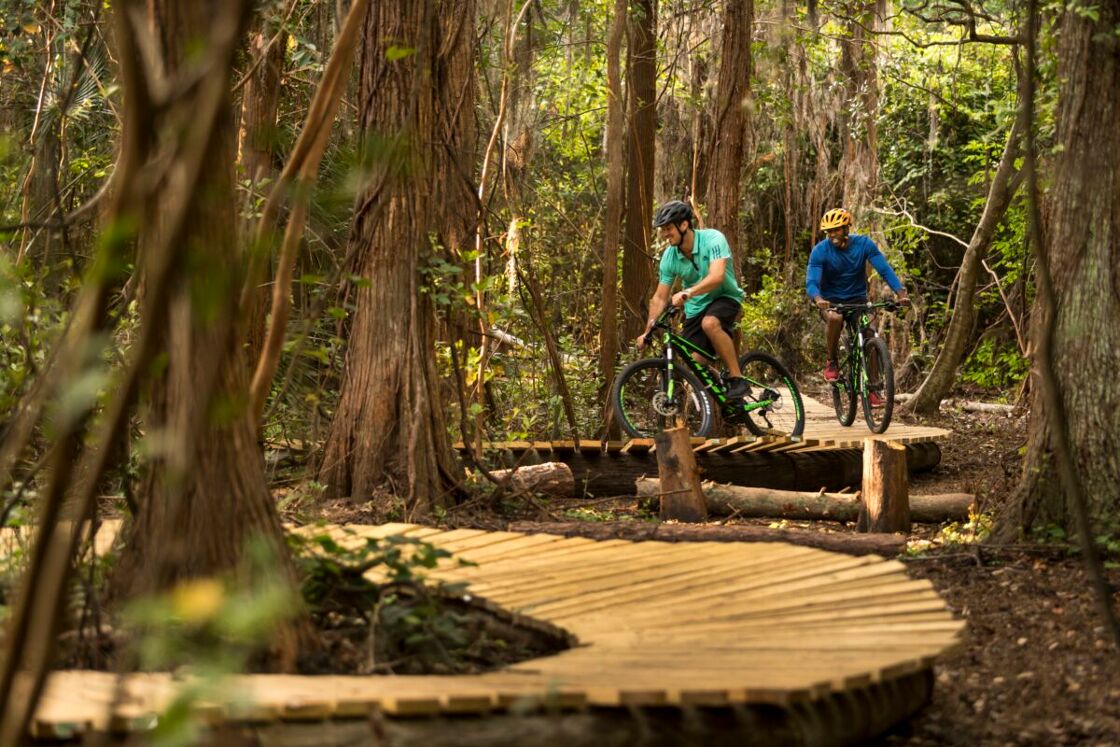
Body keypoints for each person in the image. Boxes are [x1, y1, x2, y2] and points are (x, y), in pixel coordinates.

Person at [636, 200, 750, 399]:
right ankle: (725, 399)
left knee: (710, 323)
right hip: (696, 308)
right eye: (663, 229)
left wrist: (688, 292)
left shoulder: (713, 239)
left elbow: (717, 276)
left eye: (669, 228)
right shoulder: (670, 257)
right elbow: (660, 297)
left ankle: (737, 378)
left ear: (684, 225)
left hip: (724, 296)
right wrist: (647, 332)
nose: (665, 234)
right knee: (694, 363)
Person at [806, 208, 910, 403]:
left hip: (857, 300)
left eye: (836, 229)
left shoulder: (863, 244)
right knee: (835, 319)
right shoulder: (820, 251)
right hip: (831, 302)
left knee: (869, 335)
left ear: (846, 228)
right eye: (829, 231)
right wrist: (818, 299)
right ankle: (832, 361)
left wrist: (901, 293)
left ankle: (872, 389)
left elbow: (884, 269)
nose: (832, 235)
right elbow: (812, 282)